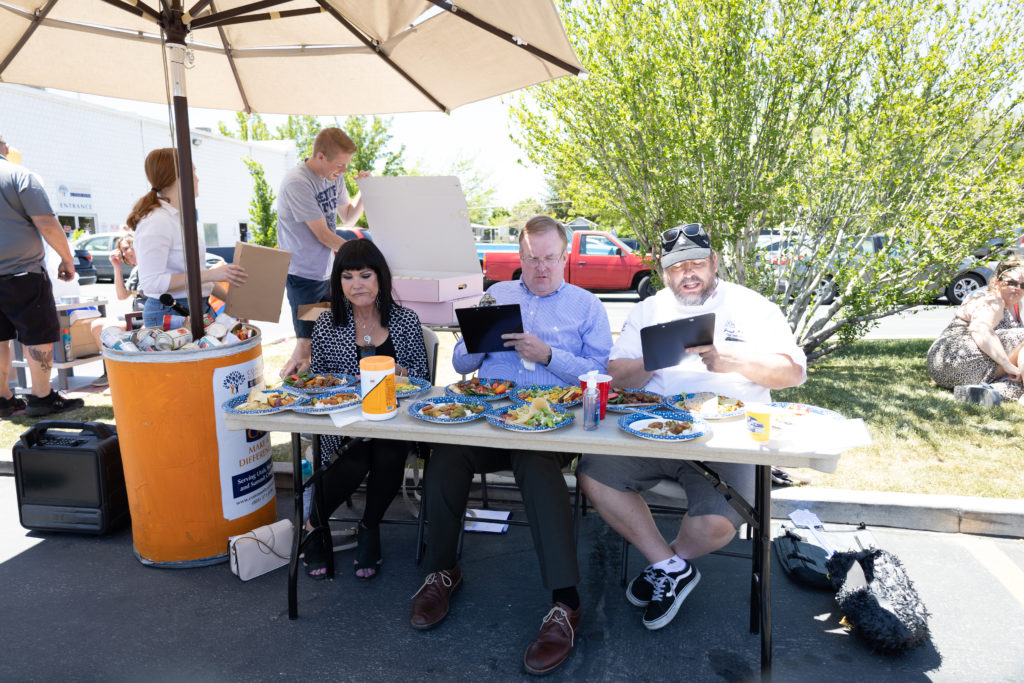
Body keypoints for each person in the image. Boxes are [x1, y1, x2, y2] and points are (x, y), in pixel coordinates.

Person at [576, 222, 806, 632]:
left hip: (732, 437)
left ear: (715, 262)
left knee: (718, 524)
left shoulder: (753, 307)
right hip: (656, 428)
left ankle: (670, 563)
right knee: (594, 473)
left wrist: (732, 360)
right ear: (664, 272)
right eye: (677, 267)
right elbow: (615, 375)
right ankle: (668, 565)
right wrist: (653, 359)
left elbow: (791, 373)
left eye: (697, 263)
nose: (688, 274)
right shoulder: (649, 310)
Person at [410, 215, 612, 676]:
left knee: (535, 464)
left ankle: (566, 602)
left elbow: (600, 374)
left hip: (550, 426)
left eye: (549, 259)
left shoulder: (586, 306)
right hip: (489, 420)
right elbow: (462, 362)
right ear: (520, 257)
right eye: (531, 258)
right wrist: (479, 344)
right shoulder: (497, 295)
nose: (540, 268)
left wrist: (548, 356)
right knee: (446, 457)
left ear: (565, 258)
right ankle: (443, 570)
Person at [301, 239, 429, 580]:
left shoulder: (405, 320)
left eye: (365, 274)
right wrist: (339, 382)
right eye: (347, 276)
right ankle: (315, 524)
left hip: (393, 420)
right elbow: (320, 379)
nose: (357, 284)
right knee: (356, 454)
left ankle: (369, 526)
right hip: (345, 421)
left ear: (380, 278)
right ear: (338, 283)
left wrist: (397, 371)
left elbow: (423, 378)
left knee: (388, 450)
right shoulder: (328, 324)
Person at [0, 132, 85, 417]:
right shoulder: (19, 175)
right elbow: (47, 224)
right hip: (22, 274)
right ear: (5, 147)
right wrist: (67, 258)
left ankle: (3, 398)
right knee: (37, 334)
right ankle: (41, 397)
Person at [277, 127, 371, 378]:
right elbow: (323, 235)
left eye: (346, 166)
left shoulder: (333, 178)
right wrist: (364, 256)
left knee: (329, 337)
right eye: (340, 165)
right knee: (305, 345)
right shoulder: (298, 182)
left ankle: (325, 387)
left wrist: (364, 190)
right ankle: (291, 389)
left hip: (327, 273)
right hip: (303, 276)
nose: (343, 171)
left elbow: (349, 218)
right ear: (320, 156)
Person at [127, 148, 246, 328]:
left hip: (197, 307)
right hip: (171, 311)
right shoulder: (158, 220)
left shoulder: (178, 218)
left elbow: (200, 278)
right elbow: (152, 283)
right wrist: (211, 274)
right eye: (193, 171)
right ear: (178, 175)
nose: (197, 178)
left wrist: (236, 305)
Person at [927, 258, 1024, 402]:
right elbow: (980, 329)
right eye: (1011, 283)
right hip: (954, 357)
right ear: (996, 282)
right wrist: (1006, 364)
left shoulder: (1016, 305)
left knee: (1015, 382)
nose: (1017, 288)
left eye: (1023, 285)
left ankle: (983, 392)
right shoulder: (993, 301)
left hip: (952, 370)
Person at [87, 232, 145, 387]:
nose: (126, 253)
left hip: (149, 317)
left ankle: (121, 374)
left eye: (128, 248)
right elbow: (122, 295)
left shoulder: (150, 266)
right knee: (97, 325)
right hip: (136, 317)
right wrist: (117, 267)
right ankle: (111, 372)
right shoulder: (136, 269)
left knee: (108, 328)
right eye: (123, 250)